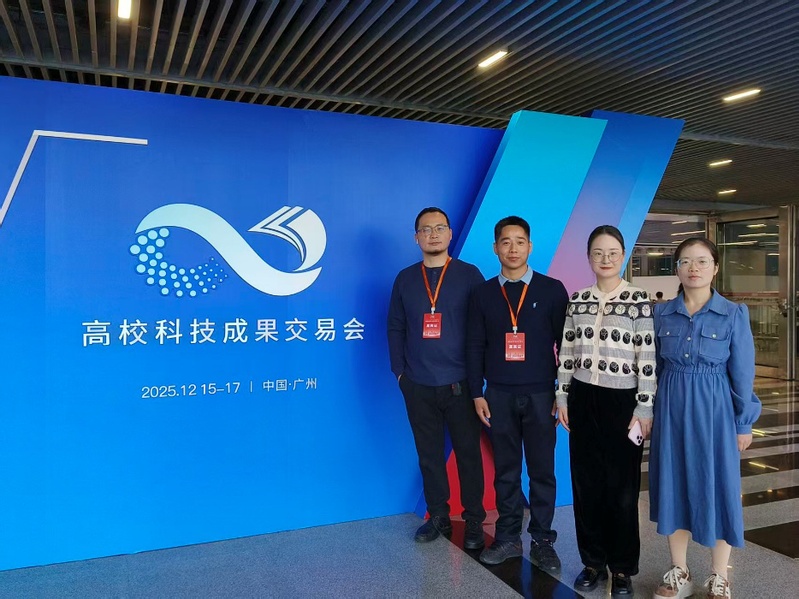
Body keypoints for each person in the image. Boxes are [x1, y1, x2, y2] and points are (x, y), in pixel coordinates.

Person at [649, 237, 761, 599]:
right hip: (671, 407)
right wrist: (646, 412)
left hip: (715, 412)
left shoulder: (733, 314)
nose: (693, 268)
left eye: (701, 261)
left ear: (715, 267)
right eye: (685, 261)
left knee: (721, 485)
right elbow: (653, 368)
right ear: (676, 269)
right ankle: (679, 571)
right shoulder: (661, 314)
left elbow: (742, 374)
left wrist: (743, 423)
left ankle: (719, 575)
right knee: (673, 483)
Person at [556, 225, 656, 597]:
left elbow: (647, 357)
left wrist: (644, 407)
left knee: (623, 489)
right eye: (598, 253)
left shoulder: (638, 299)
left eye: (612, 252)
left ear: (623, 255)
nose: (605, 259)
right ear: (589, 257)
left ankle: (623, 568)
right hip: (584, 398)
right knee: (586, 485)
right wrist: (562, 398)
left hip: (623, 402)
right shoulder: (578, 299)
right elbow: (567, 352)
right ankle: (593, 562)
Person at [466, 216, 568, 568]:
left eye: (520, 241)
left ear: (530, 246)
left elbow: (565, 346)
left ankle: (542, 539)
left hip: (542, 395)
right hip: (498, 395)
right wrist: (477, 393)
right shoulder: (482, 294)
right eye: (506, 242)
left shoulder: (552, 289)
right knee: (506, 471)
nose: (513, 249)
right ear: (495, 248)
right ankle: (508, 537)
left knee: (542, 471)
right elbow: (474, 345)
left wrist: (562, 393)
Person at [387, 207, 487, 550]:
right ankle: (438, 516)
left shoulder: (469, 275)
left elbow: (482, 328)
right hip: (418, 384)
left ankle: (474, 521)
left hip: (460, 383)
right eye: (426, 229)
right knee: (428, 455)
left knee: (468, 455)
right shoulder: (405, 279)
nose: (433, 234)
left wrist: (478, 379)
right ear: (416, 237)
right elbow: (395, 326)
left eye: (439, 228)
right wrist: (400, 373)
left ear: (450, 233)